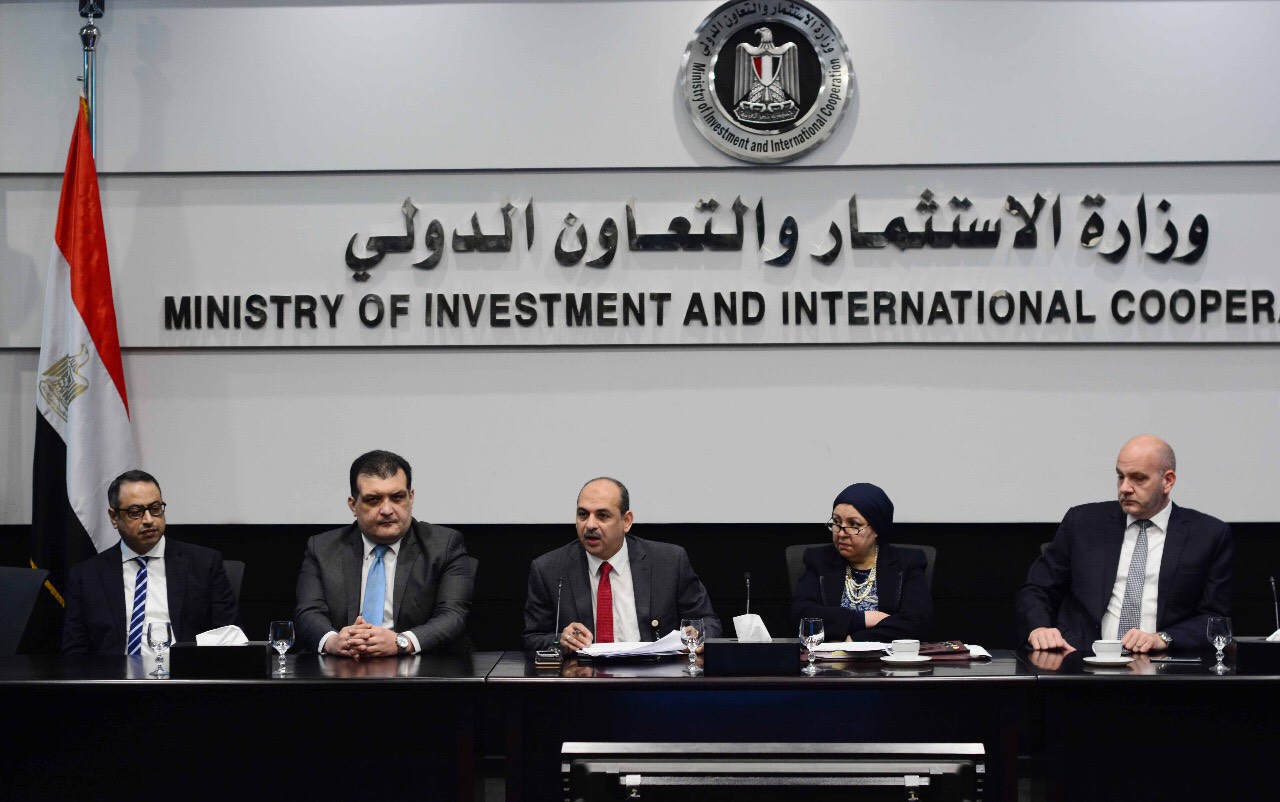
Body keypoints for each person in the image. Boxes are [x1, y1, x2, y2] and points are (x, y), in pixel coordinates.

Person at [1015, 434, 1233, 654]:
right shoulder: (1083, 522)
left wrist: (1163, 638)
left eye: (1139, 478)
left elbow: (1214, 618)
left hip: (1160, 662)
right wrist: (1039, 628)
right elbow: (1037, 588)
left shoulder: (1208, 535)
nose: (1125, 488)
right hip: (1079, 658)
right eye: (1121, 476)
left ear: (1167, 481)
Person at [294, 450, 473, 657]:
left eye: (397, 497)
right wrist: (334, 641)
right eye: (373, 500)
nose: (387, 510)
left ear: (411, 498)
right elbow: (307, 612)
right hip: (344, 664)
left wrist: (401, 641)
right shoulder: (322, 548)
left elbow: (453, 615)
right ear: (353, 505)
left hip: (422, 666)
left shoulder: (444, 545)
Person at [523, 477, 722, 655]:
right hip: (584, 678)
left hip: (655, 676)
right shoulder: (549, 569)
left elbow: (708, 622)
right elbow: (532, 639)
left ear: (626, 521)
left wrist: (695, 634)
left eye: (602, 516)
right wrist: (561, 641)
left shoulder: (669, 561)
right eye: (583, 515)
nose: (590, 525)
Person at [62, 470, 239, 655]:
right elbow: (75, 651)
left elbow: (230, 636)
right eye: (135, 512)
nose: (148, 520)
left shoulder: (204, 564)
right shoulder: (87, 575)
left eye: (155, 509)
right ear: (114, 517)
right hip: (115, 672)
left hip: (184, 671)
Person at [790, 482, 934, 642]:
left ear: (877, 529)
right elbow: (802, 615)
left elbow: (917, 622)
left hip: (887, 655)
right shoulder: (818, 559)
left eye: (854, 525)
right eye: (837, 522)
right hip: (829, 656)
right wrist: (863, 619)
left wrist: (855, 640)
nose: (841, 533)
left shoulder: (907, 562)